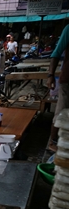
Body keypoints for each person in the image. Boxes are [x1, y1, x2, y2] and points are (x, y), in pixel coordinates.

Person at [47, 24, 69, 152]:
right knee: (61, 111)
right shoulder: (68, 29)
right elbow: (56, 53)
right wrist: (50, 75)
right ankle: (53, 141)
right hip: (68, 80)